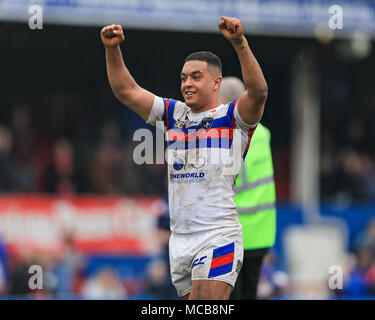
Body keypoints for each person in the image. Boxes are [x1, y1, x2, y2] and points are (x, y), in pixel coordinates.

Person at [100, 16, 268, 300]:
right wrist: (112, 49)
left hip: (217, 234)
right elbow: (126, 91)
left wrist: (240, 43)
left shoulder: (232, 118)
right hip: (180, 241)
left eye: (195, 77)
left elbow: (259, 91)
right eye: (183, 78)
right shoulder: (173, 114)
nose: (187, 83)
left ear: (216, 83)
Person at [220, 76, 276, 300]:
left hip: (234, 235)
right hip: (262, 232)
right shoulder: (263, 133)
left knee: (230, 297)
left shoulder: (227, 136)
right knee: (250, 293)